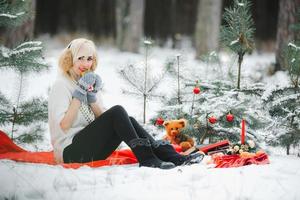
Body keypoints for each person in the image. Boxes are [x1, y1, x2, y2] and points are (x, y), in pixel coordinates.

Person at [48, 38, 202, 169]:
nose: (85, 63)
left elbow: (102, 120)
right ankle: (147, 158)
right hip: (69, 153)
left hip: (90, 148)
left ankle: (171, 156)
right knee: (117, 111)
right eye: (80, 58)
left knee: (128, 120)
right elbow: (64, 126)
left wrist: (91, 96)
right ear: (70, 58)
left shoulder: (87, 80)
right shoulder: (61, 85)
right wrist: (79, 94)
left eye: (89, 58)